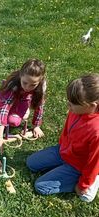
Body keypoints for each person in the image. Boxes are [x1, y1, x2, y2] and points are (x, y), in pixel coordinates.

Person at [27, 74, 99, 202]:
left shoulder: (96, 131)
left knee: (41, 186)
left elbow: (93, 163)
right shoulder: (76, 110)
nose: (68, 105)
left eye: (73, 103)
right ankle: (61, 168)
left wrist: (82, 185)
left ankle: (92, 183)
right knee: (31, 163)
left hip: (78, 165)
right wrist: (62, 146)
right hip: (63, 151)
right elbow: (67, 129)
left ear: (92, 106)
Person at [0, 59, 46, 150]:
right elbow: (5, 108)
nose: (27, 87)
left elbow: (39, 105)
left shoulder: (41, 86)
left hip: (23, 98)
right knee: (5, 112)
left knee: (13, 121)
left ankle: (22, 107)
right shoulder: (13, 84)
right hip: (6, 97)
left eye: (33, 85)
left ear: (40, 80)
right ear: (21, 75)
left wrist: (36, 126)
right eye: (25, 83)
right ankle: (2, 120)